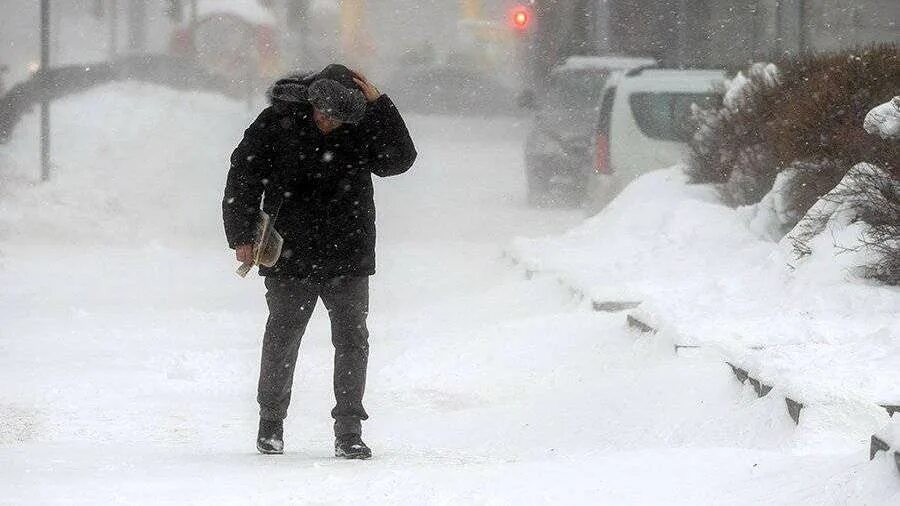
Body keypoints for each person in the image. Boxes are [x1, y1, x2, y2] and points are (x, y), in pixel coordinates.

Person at [222, 64, 417, 459]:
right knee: (282, 338)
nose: (328, 123)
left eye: (338, 119)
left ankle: (349, 431)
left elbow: (399, 160)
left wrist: (381, 106)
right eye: (324, 114)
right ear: (313, 102)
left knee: (352, 340)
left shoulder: (363, 122)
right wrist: (241, 234)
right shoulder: (278, 121)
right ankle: (271, 424)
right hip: (289, 252)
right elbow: (243, 174)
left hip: (349, 252)